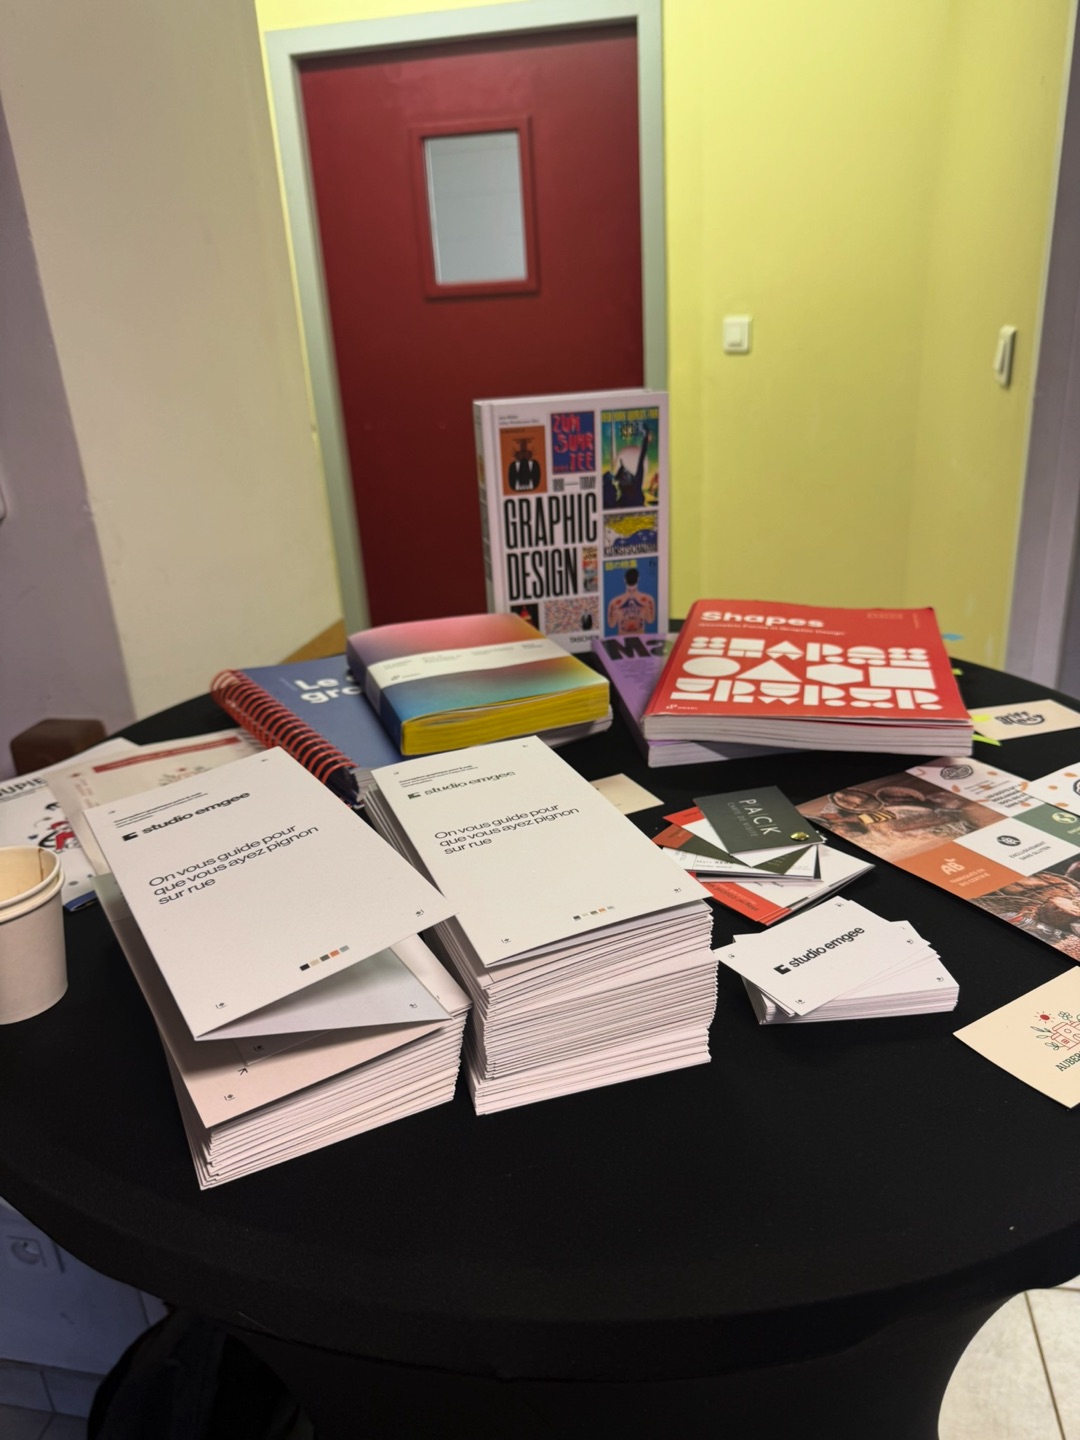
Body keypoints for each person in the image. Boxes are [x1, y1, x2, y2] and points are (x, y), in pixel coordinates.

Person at [606, 567, 655, 634]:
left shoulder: (614, 602)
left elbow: (611, 624)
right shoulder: (648, 600)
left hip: (624, 638)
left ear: (624, 579)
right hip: (639, 638)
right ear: (638, 578)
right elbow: (650, 620)